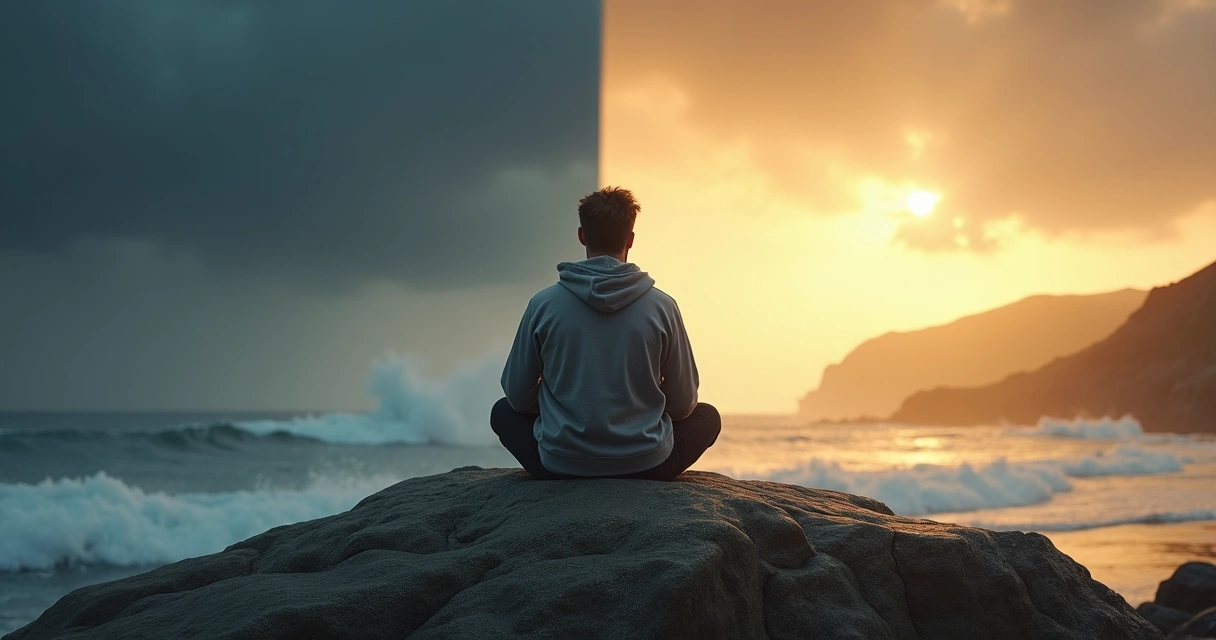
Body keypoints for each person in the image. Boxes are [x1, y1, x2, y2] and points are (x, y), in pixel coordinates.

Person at [491, 186, 720, 481]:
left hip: (561, 465)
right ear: (630, 239)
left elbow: (517, 397)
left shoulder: (544, 304)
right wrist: (640, 408)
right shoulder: (662, 306)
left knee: (501, 412)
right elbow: (683, 403)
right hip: (649, 465)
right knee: (708, 416)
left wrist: (566, 406)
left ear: (582, 236)